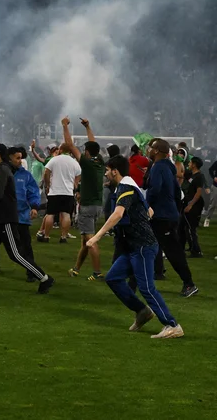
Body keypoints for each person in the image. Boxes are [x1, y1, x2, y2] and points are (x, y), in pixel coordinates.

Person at [86, 155, 184, 339]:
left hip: (142, 247)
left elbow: (118, 213)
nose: (106, 173)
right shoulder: (131, 187)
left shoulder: (126, 187)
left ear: (115, 170)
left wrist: (97, 237)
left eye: (107, 170)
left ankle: (172, 325)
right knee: (113, 278)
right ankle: (142, 312)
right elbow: (150, 211)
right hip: (134, 247)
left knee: (147, 288)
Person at [0, 144, 54, 296]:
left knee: (15, 254)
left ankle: (44, 278)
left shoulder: (3, 171)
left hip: (5, 219)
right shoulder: (2, 170)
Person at [145, 139, 198, 297]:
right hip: (168, 214)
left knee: (173, 251)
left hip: (162, 216)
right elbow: (177, 193)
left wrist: (147, 206)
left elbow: (155, 189)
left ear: (156, 151)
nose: (148, 150)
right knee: (148, 245)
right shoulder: (168, 168)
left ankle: (189, 283)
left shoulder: (158, 168)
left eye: (151, 148)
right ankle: (141, 280)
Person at [0, 148, 42, 282]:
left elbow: (33, 192)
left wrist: (34, 207)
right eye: (17, 158)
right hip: (3, 218)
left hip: (21, 217)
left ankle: (33, 273)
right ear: (9, 158)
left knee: (24, 248)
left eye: (21, 158)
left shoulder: (26, 175)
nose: (20, 161)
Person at [61, 117, 105, 280]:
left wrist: (65, 126)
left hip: (87, 206)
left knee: (90, 240)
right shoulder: (99, 161)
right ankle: (76, 269)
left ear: (86, 152)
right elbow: (93, 144)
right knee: (85, 240)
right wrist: (88, 126)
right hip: (97, 205)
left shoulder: (86, 163)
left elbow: (70, 145)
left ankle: (97, 272)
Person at [39, 142, 81, 243]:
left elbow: (46, 172)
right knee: (66, 214)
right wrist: (74, 185)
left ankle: (46, 236)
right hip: (68, 192)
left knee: (50, 214)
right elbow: (79, 174)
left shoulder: (54, 160)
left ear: (61, 150)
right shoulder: (74, 162)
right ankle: (63, 237)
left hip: (55, 191)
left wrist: (48, 184)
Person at [180, 156, 205, 258]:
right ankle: (190, 248)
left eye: (190, 163)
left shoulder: (199, 176)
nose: (189, 164)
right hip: (188, 203)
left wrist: (190, 205)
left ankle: (196, 251)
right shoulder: (191, 175)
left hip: (195, 205)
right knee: (185, 227)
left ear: (194, 164)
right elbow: (179, 173)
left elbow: (198, 193)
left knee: (191, 228)